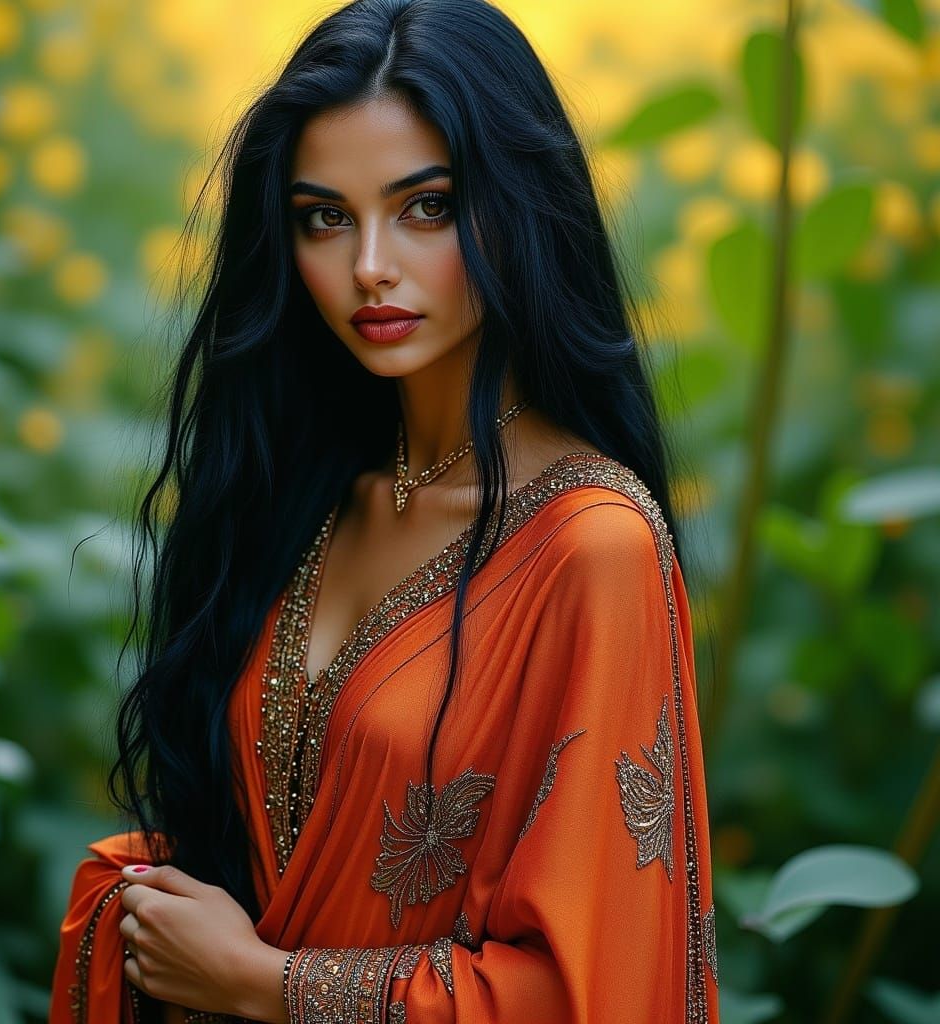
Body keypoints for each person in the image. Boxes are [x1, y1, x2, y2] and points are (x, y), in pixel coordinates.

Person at [48, 0, 720, 1021]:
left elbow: (587, 987)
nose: (368, 264)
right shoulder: (302, 493)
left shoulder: (591, 547)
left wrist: (258, 981)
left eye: (426, 207)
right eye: (324, 216)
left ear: (519, 206)